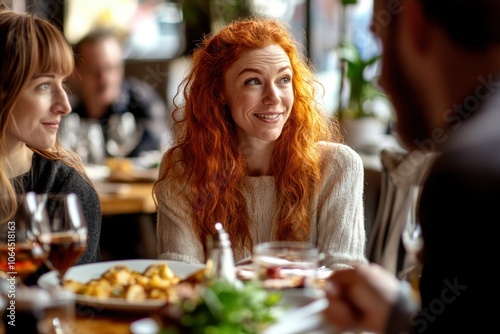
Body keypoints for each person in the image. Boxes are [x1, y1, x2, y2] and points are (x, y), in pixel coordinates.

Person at [323, 0, 500, 333]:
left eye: (379, 37)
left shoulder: (469, 175)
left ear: (414, 17)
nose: (380, 81)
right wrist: (398, 314)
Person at [154, 17, 367, 270]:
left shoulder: (338, 167)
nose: (274, 98)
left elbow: (344, 273)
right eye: (253, 81)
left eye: (284, 80)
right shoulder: (183, 168)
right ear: (219, 92)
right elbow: (179, 272)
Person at [0, 5, 101, 285]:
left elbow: (72, 311)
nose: (65, 105)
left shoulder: (66, 191)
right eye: (44, 85)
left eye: (62, 83)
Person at [67, 27, 170, 159]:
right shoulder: (67, 111)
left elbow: (152, 156)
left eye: (111, 68)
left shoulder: (144, 105)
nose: (105, 79)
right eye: (95, 71)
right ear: (76, 73)